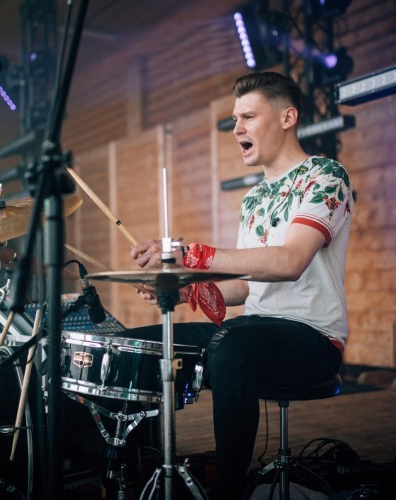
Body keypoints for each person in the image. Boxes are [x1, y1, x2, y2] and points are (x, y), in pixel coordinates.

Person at [127, 71, 354, 499]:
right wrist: (183, 289)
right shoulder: (254, 199)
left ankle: (228, 492)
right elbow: (248, 287)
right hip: (253, 329)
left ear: (287, 118)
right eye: (235, 119)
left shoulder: (325, 175)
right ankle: (131, 475)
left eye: (248, 117)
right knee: (141, 346)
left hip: (313, 339)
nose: (237, 129)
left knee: (230, 346)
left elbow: (289, 262)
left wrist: (191, 254)